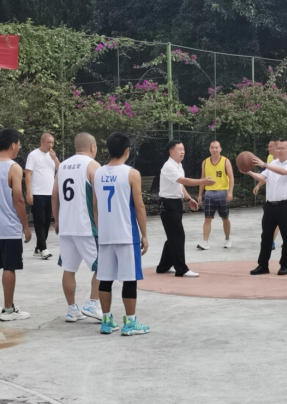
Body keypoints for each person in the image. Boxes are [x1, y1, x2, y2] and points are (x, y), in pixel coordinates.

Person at [93, 132, 149, 336]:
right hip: (126, 234)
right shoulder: (131, 173)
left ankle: (106, 321)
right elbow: (139, 205)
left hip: (105, 234)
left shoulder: (98, 173)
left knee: (105, 278)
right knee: (129, 278)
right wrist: (144, 234)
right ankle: (130, 322)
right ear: (127, 150)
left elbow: (95, 206)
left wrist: (100, 230)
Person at [0, 128, 32, 321]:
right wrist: (25, 226)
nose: (19, 147)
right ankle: (9, 309)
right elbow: (18, 199)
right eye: (18, 144)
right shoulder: (14, 167)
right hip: (9, 226)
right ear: (12, 144)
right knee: (9, 267)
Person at [52, 132, 103, 323]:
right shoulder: (93, 165)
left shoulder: (62, 166)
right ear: (92, 147)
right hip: (86, 225)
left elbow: (54, 195)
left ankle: (72, 309)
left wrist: (57, 220)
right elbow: (97, 199)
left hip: (66, 225)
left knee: (69, 268)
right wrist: (100, 223)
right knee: (104, 266)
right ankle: (93, 303)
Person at [156, 140, 215, 277]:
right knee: (177, 235)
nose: (182, 152)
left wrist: (188, 199)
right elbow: (184, 181)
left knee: (173, 235)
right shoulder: (168, 166)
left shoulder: (178, 165)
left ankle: (163, 266)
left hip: (176, 203)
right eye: (179, 149)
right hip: (168, 204)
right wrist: (203, 181)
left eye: (183, 149)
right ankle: (181, 269)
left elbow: (180, 185)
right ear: (171, 151)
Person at [241, 140, 287, 276]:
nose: (278, 150)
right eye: (278, 148)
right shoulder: (273, 163)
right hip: (270, 206)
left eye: (282, 148)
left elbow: (283, 172)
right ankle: (263, 265)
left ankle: (284, 265)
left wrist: (264, 164)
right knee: (266, 236)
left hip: (285, 205)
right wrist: (249, 172)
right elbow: (263, 177)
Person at [25, 133, 59, 259]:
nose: (51, 144)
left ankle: (38, 247)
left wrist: (54, 158)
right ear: (42, 141)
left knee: (46, 222)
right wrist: (29, 192)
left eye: (52, 142)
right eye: (48, 142)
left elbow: (60, 168)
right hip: (37, 193)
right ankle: (44, 249)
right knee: (39, 221)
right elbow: (28, 173)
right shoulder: (33, 155)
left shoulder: (52, 155)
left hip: (50, 193)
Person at [197, 140, 234, 250]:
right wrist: (200, 195)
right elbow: (202, 179)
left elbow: (231, 177)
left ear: (220, 149)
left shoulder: (225, 161)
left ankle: (227, 239)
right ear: (209, 149)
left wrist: (230, 192)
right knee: (207, 218)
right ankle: (205, 242)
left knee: (225, 218)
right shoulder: (205, 162)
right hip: (209, 193)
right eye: (212, 147)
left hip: (222, 192)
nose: (214, 149)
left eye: (216, 147)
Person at [253, 138, 280, 250]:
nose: (268, 148)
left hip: (280, 197)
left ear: (277, 148)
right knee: (268, 221)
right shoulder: (270, 158)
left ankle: (272, 241)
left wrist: (264, 164)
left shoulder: (282, 161)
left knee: (277, 221)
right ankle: (270, 239)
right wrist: (258, 185)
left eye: (270, 146)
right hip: (270, 196)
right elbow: (266, 175)